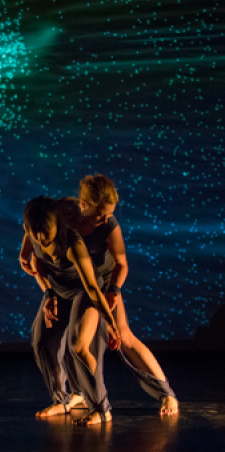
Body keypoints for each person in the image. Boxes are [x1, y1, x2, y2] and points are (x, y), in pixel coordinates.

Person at [74, 174, 179, 416]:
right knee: (72, 341)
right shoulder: (68, 219)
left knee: (123, 336)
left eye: (111, 213)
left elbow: (121, 263)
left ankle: (166, 394)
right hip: (76, 285)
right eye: (102, 214)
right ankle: (78, 396)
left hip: (102, 284)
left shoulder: (109, 225)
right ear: (83, 204)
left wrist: (113, 291)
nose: (108, 218)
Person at [22, 196, 121, 426]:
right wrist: (47, 293)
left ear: (57, 222)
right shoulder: (33, 231)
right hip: (58, 290)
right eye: (35, 233)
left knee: (79, 346)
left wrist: (111, 323)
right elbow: (35, 262)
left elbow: (93, 288)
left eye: (46, 231)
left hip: (84, 291)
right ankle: (63, 399)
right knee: (41, 341)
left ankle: (101, 407)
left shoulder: (72, 244)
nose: (41, 238)